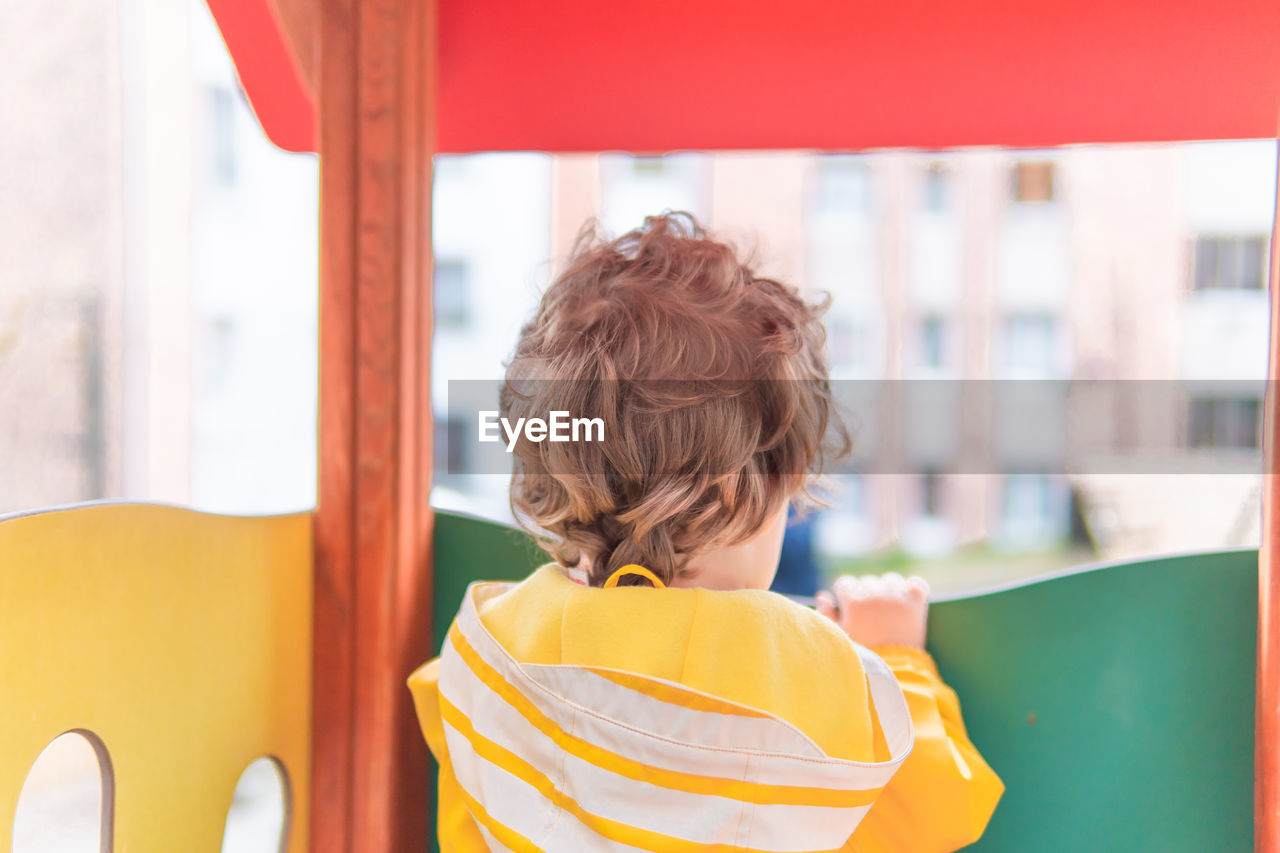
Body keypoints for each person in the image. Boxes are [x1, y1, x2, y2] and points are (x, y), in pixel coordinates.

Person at [408, 213, 1003, 852]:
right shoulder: (825, 683)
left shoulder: (489, 641)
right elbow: (940, 810)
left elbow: (459, 779)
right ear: (743, 487)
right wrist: (898, 661)